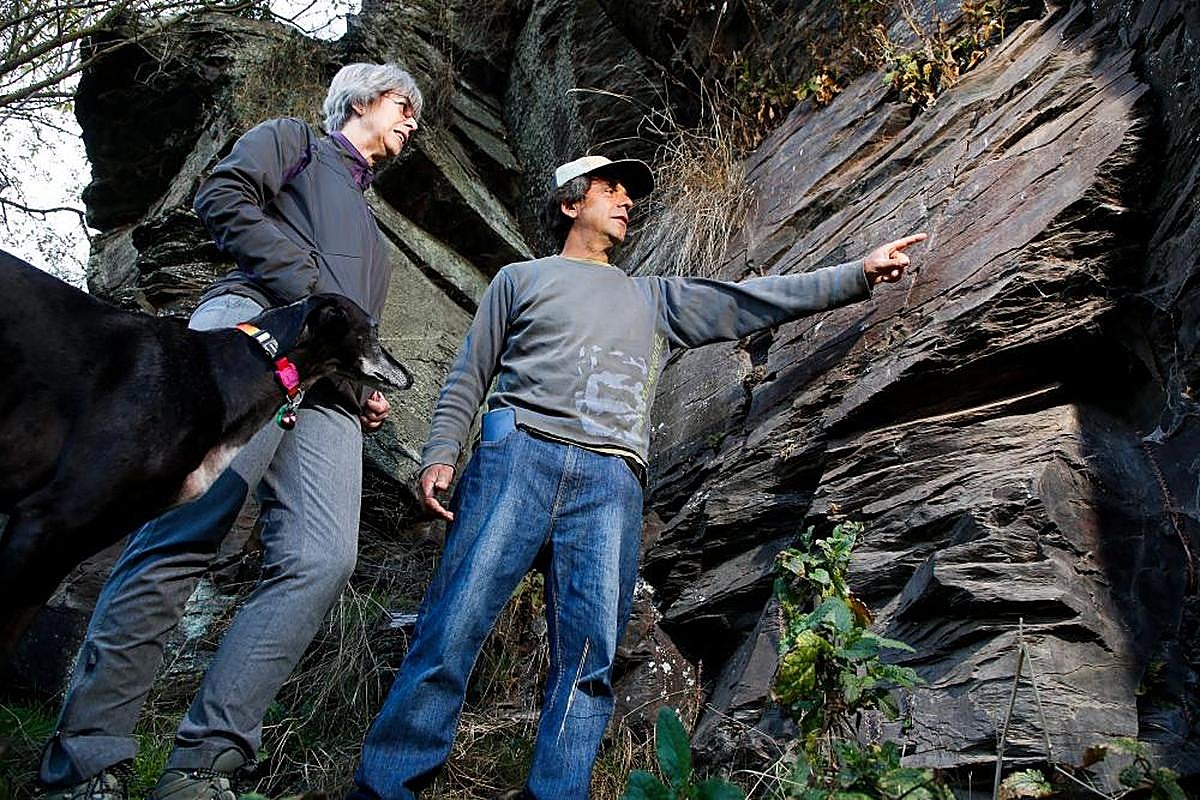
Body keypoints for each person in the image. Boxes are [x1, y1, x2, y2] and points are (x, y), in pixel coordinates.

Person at [347, 154, 927, 799]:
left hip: (610, 481)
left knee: (589, 658)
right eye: (610, 189)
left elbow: (752, 301)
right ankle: (385, 790)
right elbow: (469, 374)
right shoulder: (519, 279)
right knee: (450, 628)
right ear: (571, 203)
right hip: (517, 455)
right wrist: (439, 453)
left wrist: (857, 274)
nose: (626, 201)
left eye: (630, 193)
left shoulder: (652, 296)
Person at [37, 63, 423, 800]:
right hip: (250, 337)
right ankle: (85, 761)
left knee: (323, 559)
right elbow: (221, 196)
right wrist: (319, 297)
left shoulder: (373, 230)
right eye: (404, 106)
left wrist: (363, 384)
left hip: (327, 393)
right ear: (361, 100)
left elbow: (348, 330)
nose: (411, 123)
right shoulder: (294, 143)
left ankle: (203, 767)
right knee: (188, 527)